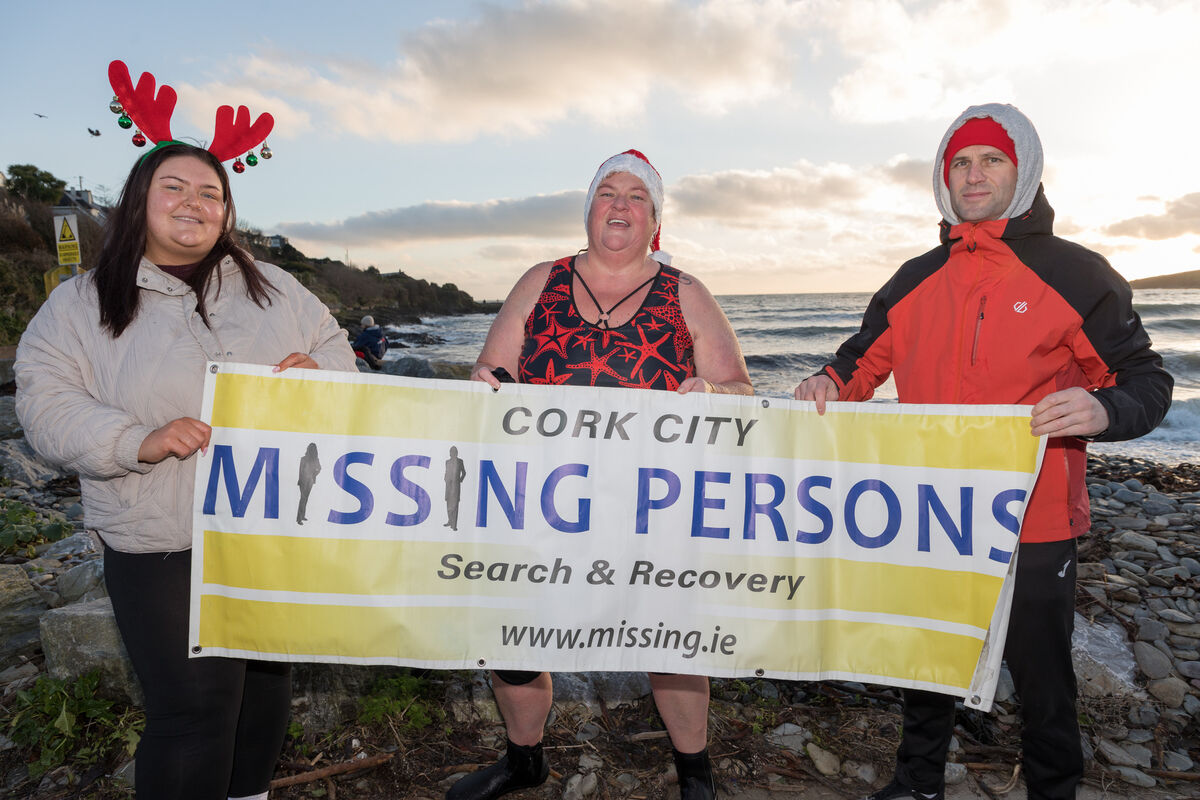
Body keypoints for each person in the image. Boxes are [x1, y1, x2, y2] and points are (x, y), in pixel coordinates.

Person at [795, 104, 1172, 800]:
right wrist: (826, 383)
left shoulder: (1078, 275)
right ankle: (917, 783)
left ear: (1021, 169)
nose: (974, 175)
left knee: (1042, 673)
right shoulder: (913, 278)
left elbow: (1147, 381)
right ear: (944, 179)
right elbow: (857, 367)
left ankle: (1053, 788)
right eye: (960, 162)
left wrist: (1102, 408)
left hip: (1037, 513)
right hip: (932, 511)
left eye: (991, 160)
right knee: (927, 654)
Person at [16, 142, 358, 800]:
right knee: (194, 711)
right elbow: (45, 401)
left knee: (263, 687)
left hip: (266, 524)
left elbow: (335, 349)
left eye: (210, 194)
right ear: (140, 200)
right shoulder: (80, 304)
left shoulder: (274, 285)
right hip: (160, 536)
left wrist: (322, 376)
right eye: (174, 188)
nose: (193, 204)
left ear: (226, 213)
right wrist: (135, 440)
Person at [448, 149, 752, 800]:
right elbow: (494, 372)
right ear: (589, 210)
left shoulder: (685, 292)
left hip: (652, 502)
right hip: (546, 500)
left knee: (668, 636)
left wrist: (715, 393)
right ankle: (524, 758)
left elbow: (740, 389)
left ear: (655, 220)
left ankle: (695, 775)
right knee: (515, 635)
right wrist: (488, 384)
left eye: (636, 196)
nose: (620, 204)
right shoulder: (541, 280)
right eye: (607, 192)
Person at [297, 442, 322, 525]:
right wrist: (314, 475)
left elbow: (300, 471)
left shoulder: (305, 459)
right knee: (304, 499)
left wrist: (313, 475)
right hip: (308, 481)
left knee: (304, 499)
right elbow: (319, 469)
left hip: (306, 481)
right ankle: (299, 518)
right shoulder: (313, 459)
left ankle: (302, 516)